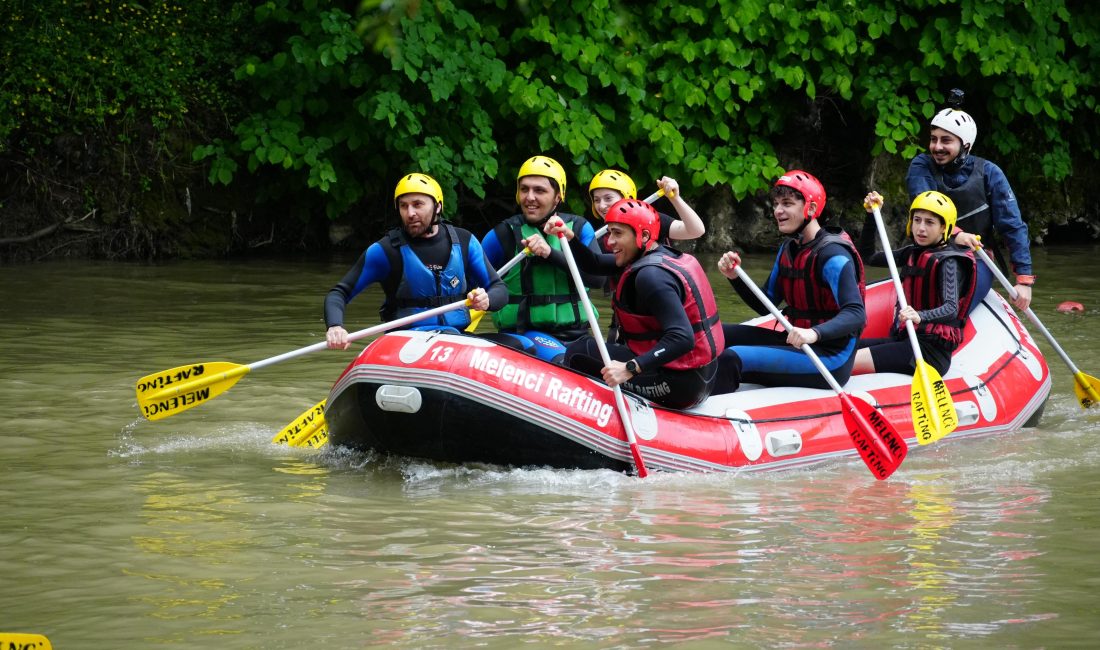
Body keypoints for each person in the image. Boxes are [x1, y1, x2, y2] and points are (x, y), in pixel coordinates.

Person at [546, 199, 724, 409]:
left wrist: (630, 367)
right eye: (610, 232)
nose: (609, 241)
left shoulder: (651, 276)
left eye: (618, 234)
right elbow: (594, 263)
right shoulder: (658, 255)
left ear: (645, 236)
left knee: (580, 349)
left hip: (680, 386)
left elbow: (683, 337)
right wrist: (570, 237)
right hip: (701, 377)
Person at [715, 170, 866, 391]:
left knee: (733, 357)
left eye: (787, 203)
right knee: (715, 334)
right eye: (776, 203)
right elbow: (765, 303)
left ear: (811, 209)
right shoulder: (790, 247)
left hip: (830, 356)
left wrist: (813, 333)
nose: (778, 211)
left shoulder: (833, 254)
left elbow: (856, 313)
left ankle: (700, 409)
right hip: (795, 342)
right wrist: (736, 278)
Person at [323, 173, 508, 349]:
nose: (410, 213)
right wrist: (335, 326)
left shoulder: (465, 242)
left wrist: (487, 300)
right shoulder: (386, 251)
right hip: (406, 340)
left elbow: (499, 289)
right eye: (404, 206)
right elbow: (339, 294)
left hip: (456, 338)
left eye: (418, 204)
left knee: (523, 346)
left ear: (438, 207)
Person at [907, 101, 1034, 310]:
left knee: (951, 309)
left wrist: (1023, 280)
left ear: (965, 145)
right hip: (929, 254)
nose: (937, 147)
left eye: (946, 140)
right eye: (933, 139)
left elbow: (1012, 226)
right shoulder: (921, 166)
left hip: (975, 257)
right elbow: (927, 206)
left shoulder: (990, 173)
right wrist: (956, 234)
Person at [479, 155, 604, 361]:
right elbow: (472, 281)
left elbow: (597, 280)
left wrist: (550, 254)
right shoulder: (503, 235)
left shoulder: (579, 228)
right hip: (525, 336)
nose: (529, 197)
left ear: (558, 197)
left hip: (578, 335)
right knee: (563, 361)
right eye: (524, 189)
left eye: (539, 190)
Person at [852, 190, 977, 376]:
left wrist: (919, 316)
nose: (921, 228)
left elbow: (951, 308)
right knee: (844, 350)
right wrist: (871, 216)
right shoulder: (912, 252)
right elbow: (867, 256)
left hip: (929, 352)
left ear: (944, 227)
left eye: (929, 222)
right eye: (917, 220)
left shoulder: (950, 262)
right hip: (907, 340)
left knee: (847, 362)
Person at [588, 169, 706, 244]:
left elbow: (696, 231)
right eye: (597, 200)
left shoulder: (651, 220)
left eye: (608, 198)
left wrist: (675, 199)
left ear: (627, 198)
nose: (602, 206)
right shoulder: (594, 235)